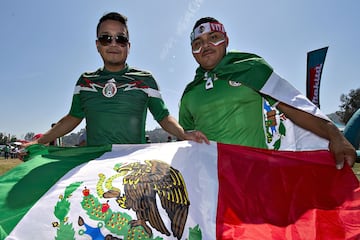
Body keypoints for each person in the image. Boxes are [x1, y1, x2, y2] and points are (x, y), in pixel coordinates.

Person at [179, 17, 356, 169]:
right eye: (198, 43)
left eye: (213, 37)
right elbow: (185, 142)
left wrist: (335, 134)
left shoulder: (251, 68)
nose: (206, 46)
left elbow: (293, 105)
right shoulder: (189, 93)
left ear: (226, 40)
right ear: (193, 52)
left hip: (255, 176)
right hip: (211, 186)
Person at [24, 12, 208, 148]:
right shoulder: (84, 81)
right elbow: (72, 118)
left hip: (133, 170)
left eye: (120, 39)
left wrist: (184, 134)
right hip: (91, 167)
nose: (113, 44)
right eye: (106, 38)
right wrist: (39, 142)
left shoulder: (146, 80)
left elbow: (163, 117)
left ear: (128, 46)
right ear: (97, 45)